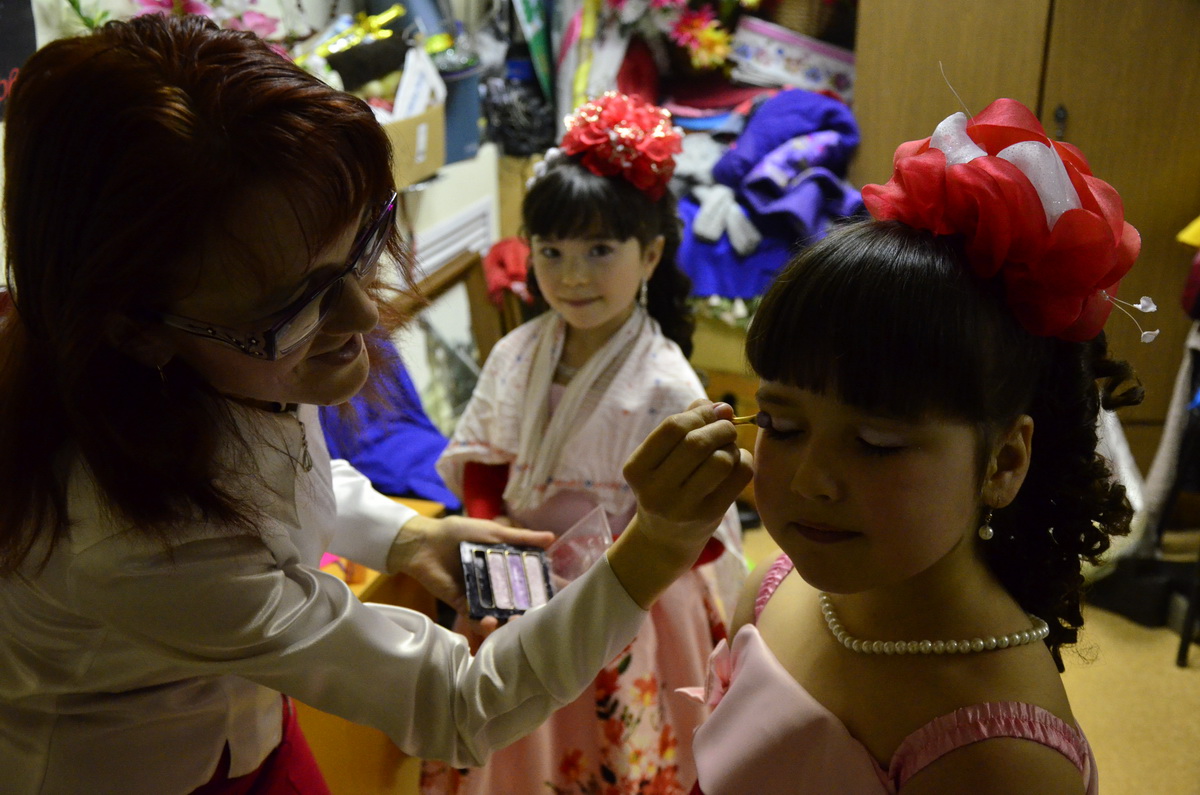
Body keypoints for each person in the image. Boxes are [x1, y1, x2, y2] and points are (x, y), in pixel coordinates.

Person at [0, 17, 753, 794]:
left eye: (360, 245)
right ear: (135, 329)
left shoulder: (227, 358)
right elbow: (457, 701)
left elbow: (273, 474)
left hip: (250, 723)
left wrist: (406, 535)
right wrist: (654, 546)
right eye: (294, 304)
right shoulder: (138, 548)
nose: (362, 316)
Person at [682, 98, 1145, 794]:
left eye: (875, 442)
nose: (810, 480)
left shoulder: (998, 757)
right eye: (781, 425)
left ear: (1004, 461)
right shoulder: (775, 584)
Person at [423, 93, 746, 795]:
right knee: (515, 731)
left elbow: (702, 531)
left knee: (609, 747)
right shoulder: (516, 351)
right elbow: (485, 462)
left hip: (631, 588)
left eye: (600, 251)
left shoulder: (666, 382)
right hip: (518, 580)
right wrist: (492, 540)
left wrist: (615, 570)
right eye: (552, 252)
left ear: (650, 253)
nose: (572, 276)